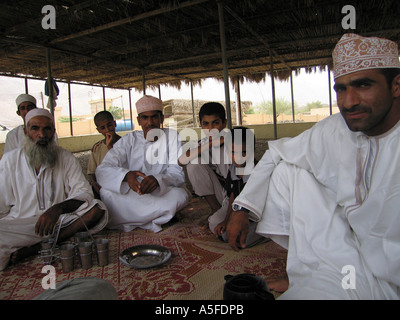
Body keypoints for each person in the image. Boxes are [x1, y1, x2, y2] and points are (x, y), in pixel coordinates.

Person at [227, 33, 400, 299]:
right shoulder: (334, 129)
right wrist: (241, 209)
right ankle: (306, 270)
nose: (349, 101)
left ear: (396, 85)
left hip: (387, 278)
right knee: (288, 169)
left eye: (363, 85)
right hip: (342, 256)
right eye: (340, 89)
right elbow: (276, 153)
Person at [0, 109, 108, 270]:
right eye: (35, 129)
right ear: (26, 131)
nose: (42, 135)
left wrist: (57, 209)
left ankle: (37, 248)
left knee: (98, 208)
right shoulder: (10, 161)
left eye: (47, 129)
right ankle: (47, 242)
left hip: (59, 222)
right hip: (21, 224)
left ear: (53, 131)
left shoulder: (65, 158)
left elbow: (84, 192)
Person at [96, 95, 190, 233]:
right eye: (145, 118)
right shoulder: (129, 140)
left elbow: (176, 173)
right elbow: (102, 170)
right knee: (106, 192)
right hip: (133, 192)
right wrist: (127, 176)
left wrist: (158, 180)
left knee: (181, 196)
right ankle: (157, 218)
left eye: (154, 117)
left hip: (160, 191)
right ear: (138, 120)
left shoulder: (172, 136)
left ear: (162, 119)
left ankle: (130, 219)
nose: (150, 122)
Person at [210, 126, 267, 248]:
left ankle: (268, 234)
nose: (238, 157)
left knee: (237, 238)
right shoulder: (233, 169)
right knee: (216, 224)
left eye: (244, 152)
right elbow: (233, 195)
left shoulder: (258, 171)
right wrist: (226, 221)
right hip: (240, 213)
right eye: (233, 152)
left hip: (260, 215)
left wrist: (235, 222)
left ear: (253, 150)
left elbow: (259, 206)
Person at [178, 102, 230, 227]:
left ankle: (229, 214)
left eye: (215, 123)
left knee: (218, 225)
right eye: (206, 124)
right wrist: (210, 144)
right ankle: (215, 209)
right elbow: (181, 161)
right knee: (193, 162)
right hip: (222, 193)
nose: (210, 128)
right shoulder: (204, 143)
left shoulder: (234, 140)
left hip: (238, 194)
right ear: (201, 125)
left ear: (224, 123)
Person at [87, 111, 121, 198]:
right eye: (103, 127)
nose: (107, 129)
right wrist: (94, 183)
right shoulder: (97, 148)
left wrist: (110, 146)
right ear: (98, 130)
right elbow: (91, 172)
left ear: (114, 124)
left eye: (109, 125)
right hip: (102, 187)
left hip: (120, 185)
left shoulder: (125, 143)